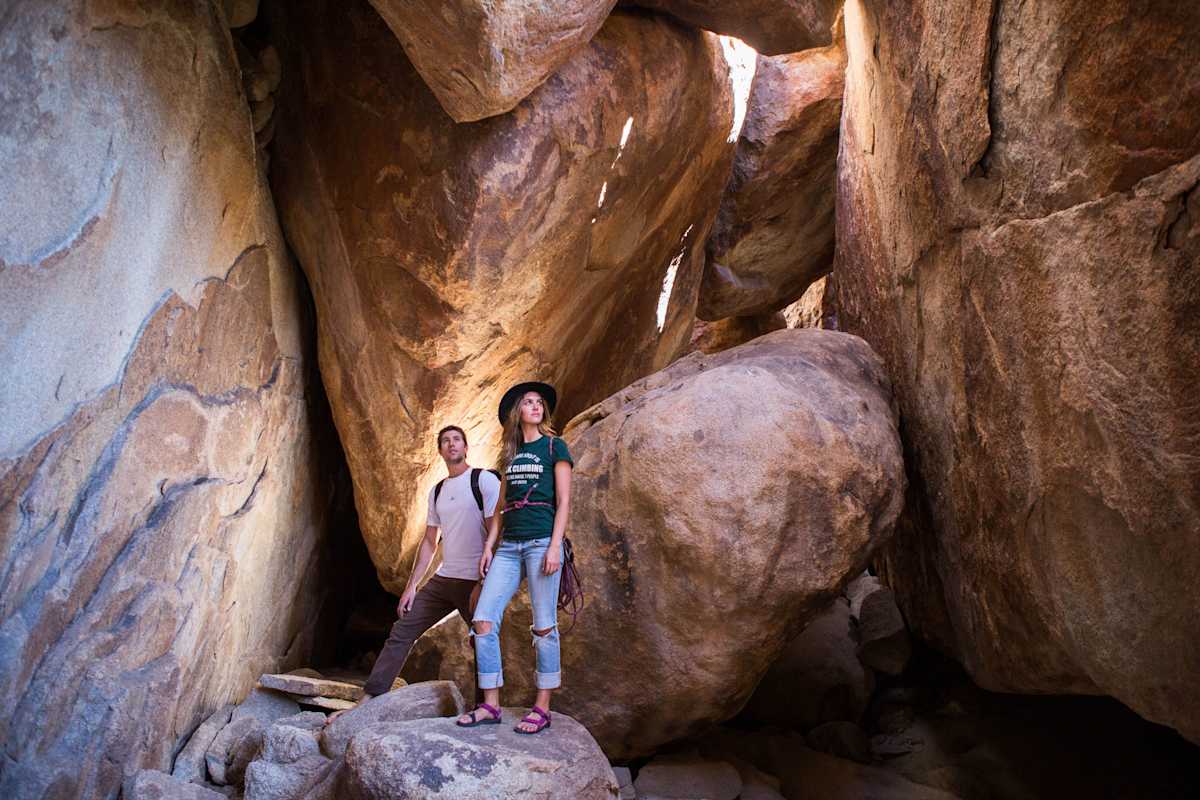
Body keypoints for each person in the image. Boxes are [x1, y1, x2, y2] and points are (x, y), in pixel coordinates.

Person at [325, 424, 499, 725]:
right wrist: (411, 586)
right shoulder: (438, 491)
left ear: (466, 447)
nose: (452, 445)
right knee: (403, 629)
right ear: (440, 451)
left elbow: (496, 529)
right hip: (446, 579)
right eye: (445, 441)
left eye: (457, 440)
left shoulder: (483, 480)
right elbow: (430, 542)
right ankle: (368, 699)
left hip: (477, 577)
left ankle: (485, 708)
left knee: (482, 639)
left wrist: (487, 580)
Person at [456, 381, 573, 734]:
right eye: (528, 402)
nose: (535, 407)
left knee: (544, 625)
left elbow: (564, 502)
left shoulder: (555, 446)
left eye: (539, 403)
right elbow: (501, 508)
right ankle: (490, 705)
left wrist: (555, 546)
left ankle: (542, 707)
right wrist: (490, 545)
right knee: (483, 620)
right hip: (509, 546)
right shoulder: (509, 456)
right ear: (517, 413)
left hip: (541, 543)